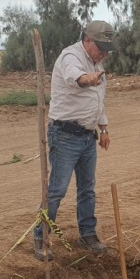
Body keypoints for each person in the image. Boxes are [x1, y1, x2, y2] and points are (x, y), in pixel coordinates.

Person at [33, 21, 116, 261]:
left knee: (87, 189)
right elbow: (74, 77)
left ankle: (87, 234)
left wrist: (104, 129)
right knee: (57, 190)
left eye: (107, 49)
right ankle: (41, 236)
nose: (104, 53)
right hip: (65, 135)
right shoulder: (70, 56)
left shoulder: (98, 64)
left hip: (88, 137)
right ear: (88, 40)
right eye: (101, 47)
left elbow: (98, 100)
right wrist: (86, 79)